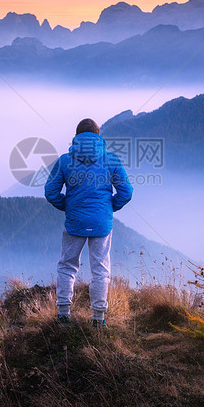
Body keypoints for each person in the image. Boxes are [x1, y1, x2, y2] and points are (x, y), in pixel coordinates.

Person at [44, 118, 133, 328]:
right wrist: (110, 207)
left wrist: (67, 206)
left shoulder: (65, 161)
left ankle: (64, 312)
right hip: (102, 222)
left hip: (74, 221)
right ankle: (98, 317)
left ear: (77, 136)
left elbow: (50, 192)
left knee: (67, 265)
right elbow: (126, 192)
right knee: (100, 269)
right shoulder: (111, 160)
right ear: (98, 135)